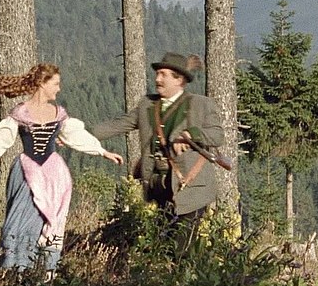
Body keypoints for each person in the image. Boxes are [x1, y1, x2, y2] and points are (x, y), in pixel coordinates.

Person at [0, 63, 124, 275]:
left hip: (53, 175)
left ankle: (45, 271)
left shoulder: (58, 114)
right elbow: (3, 137)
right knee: (19, 220)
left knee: (51, 221)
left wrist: (102, 151)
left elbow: (75, 135)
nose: (59, 88)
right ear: (42, 84)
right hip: (27, 171)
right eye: (55, 84)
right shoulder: (21, 112)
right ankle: (17, 269)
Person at [91, 52, 225, 252]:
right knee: (161, 247)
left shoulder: (201, 105)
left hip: (191, 189)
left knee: (180, 249)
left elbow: (217, 135)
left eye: (163, 75)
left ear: (179, 79)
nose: (157, 79)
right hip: (158, 188)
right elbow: (115, 126)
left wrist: (191, 134)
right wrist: (76, 135)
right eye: (157, 74)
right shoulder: (148, 104)